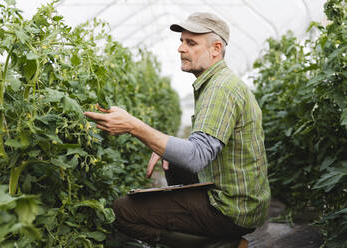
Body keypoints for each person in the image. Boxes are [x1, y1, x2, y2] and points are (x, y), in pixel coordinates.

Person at [84, 12, 271, 248]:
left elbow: (196, 158)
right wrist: (167, 147)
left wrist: (133, 125)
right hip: (243, 200)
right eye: (181, 41)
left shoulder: (220, 88)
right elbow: (203, 145)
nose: (181, 49)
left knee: (122, 211)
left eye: (191, 43)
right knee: (172, 159)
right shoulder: (218, 82)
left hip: (232, 208)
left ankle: (223, 244)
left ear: (215, 49)